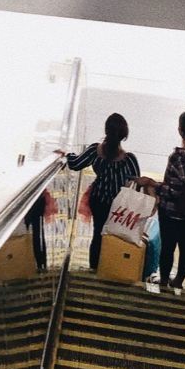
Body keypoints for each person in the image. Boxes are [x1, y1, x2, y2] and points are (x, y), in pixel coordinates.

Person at [138, 109, 185, 293]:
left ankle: (164, 281)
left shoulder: (178, 158)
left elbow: (172, 191)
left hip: (172, 211)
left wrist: (151, 183)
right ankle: (179, 281)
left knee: (168, 246)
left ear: (181, 131)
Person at [56, 114, 140, 270]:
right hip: (119, 206)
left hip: (98, 200)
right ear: (124, 134)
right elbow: (137, 183)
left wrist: (67, 154)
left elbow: (75, 164)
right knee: (115, 237)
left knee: (98, 234)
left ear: (106, 131)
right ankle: (111, 268)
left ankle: (94, 268)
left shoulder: (96, 150)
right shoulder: (129, 159)